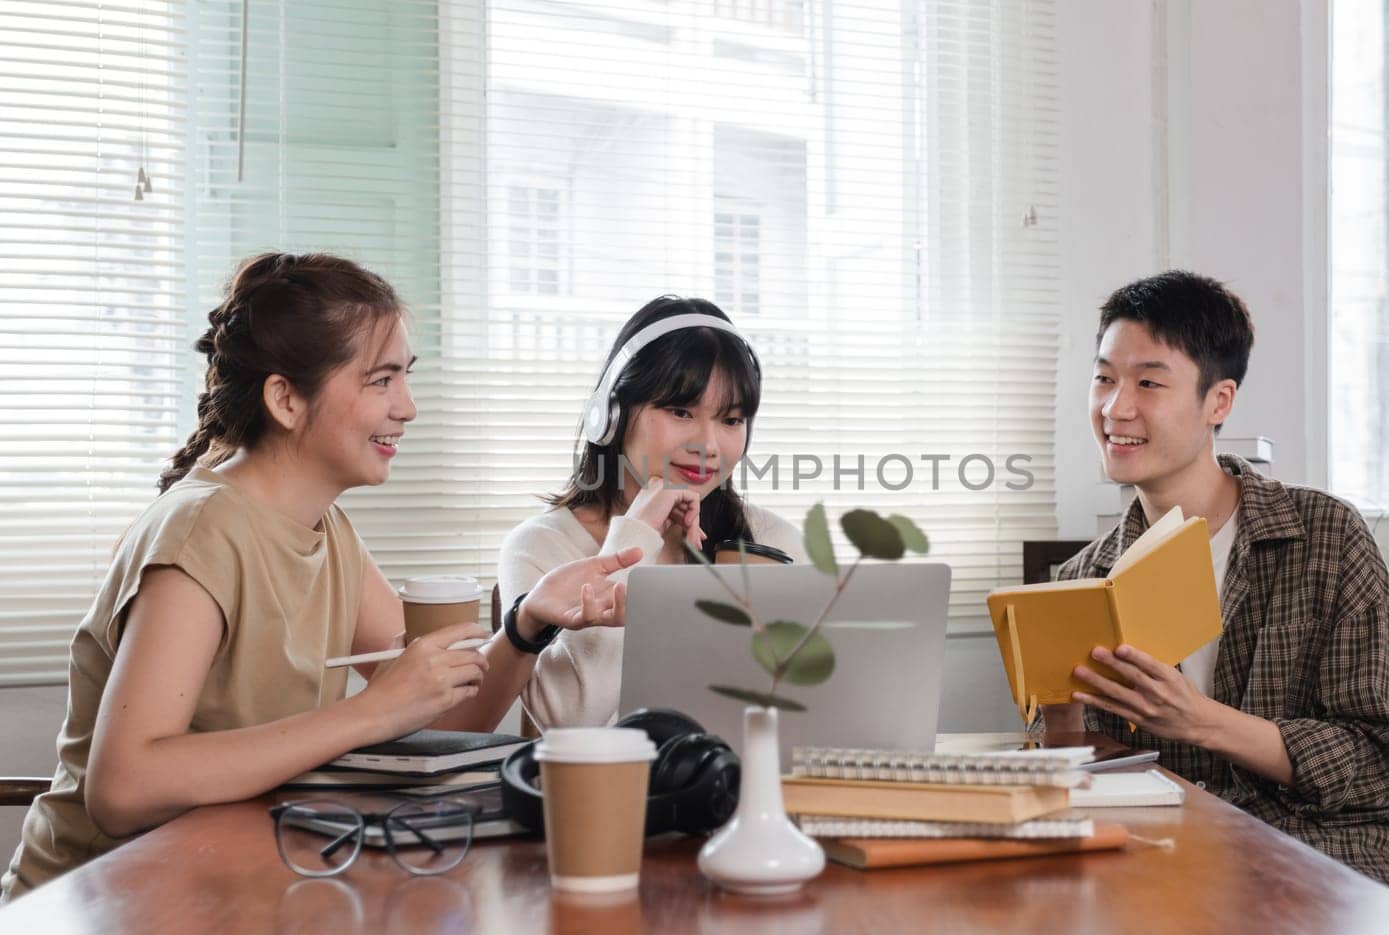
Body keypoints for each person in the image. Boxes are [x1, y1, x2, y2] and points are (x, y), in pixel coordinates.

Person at [1, 254, 634, 900]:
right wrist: (367, 713)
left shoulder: (327, 531)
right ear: (285, 398)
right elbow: (123, 786)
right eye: (381, 380)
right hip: (94, 903)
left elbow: (444, 720)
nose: (408, 407)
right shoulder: (201, 534)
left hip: (223, 885)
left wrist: (529, 623)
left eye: (404, 379)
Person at [1054, 270, 1389, 924]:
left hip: (1334, 851)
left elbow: (1379, 763)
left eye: (1148, 382)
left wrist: (1198, 720)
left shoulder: (1327, 537)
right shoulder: (1081, 581)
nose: (1116, 408)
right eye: (1105, 377)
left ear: (1218, 401)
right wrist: (1059, 715)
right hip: (1165, 861)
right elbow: (1074, 785)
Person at [499, 296, 805, 729]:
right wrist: (633, 538)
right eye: (681, 411)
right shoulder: (541, 547)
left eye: (731, 420)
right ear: (610, 415)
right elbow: (570, 724)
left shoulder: (775, 543)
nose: (709, 444)